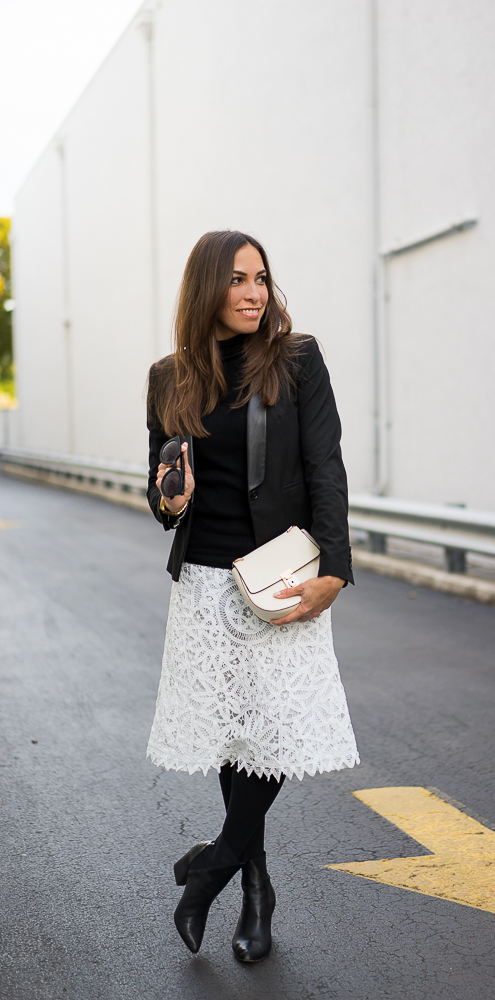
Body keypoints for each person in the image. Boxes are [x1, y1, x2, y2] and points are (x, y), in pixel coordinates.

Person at [145, 230, 359, 963]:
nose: (253, 292)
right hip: (206, 584)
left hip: (280, 577)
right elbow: (161, 490)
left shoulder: (296, 360)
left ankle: (210, 868)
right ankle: (254, 889)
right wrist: (171, 496)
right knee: (236, 744)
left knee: (276, 736)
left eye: (261, 278)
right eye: (237, 279)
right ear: (207, 288)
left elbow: (323, 464)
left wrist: (334, 567)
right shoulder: (167, 377)